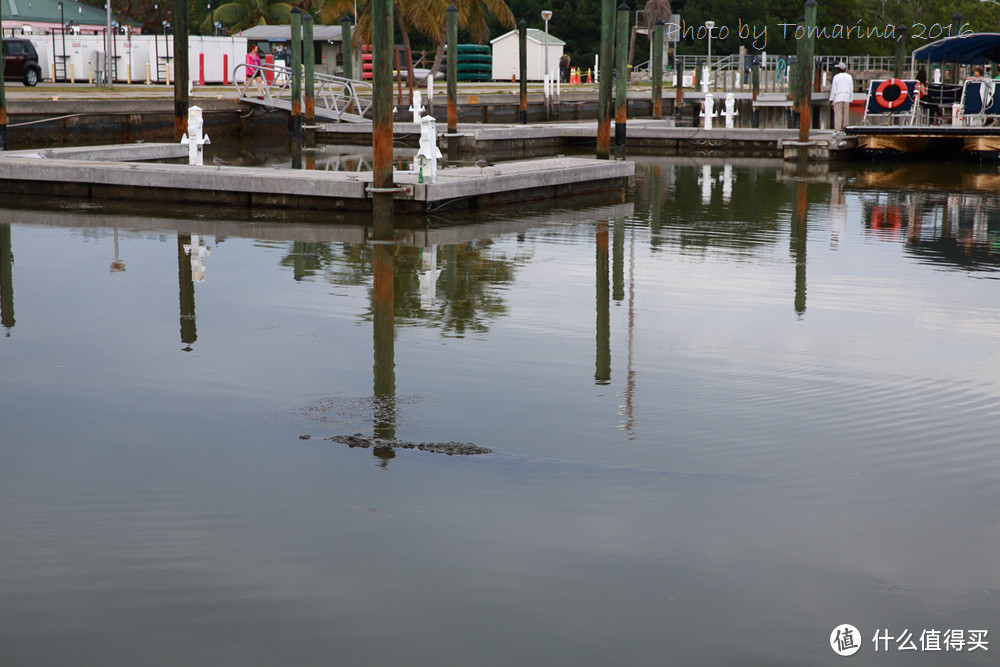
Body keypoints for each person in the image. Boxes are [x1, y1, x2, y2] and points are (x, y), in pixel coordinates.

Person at [829, 61, 853, 133]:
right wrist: (851, 99)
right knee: (845, 115)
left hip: (838, 97)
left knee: (838, 114)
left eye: (838, 68)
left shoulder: (836, 77)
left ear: (840, 69)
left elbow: (834, 89)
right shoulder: (849, 77)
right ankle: (845, 129)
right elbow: (851, 88)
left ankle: (837, 129)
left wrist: (831, 99)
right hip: (846, 97)